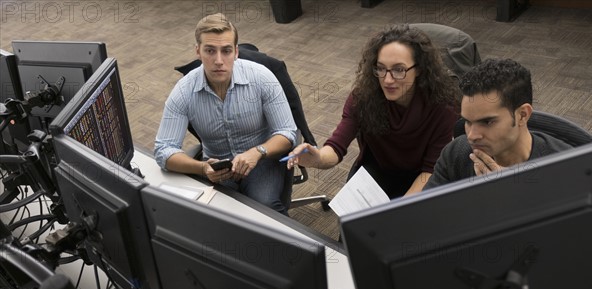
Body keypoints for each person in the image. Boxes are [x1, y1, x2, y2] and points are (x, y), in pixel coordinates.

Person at [286, 24, 459, 198]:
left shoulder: (442, 106)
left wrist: (399, 208)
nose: (388, 79)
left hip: (420, 175)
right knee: (355, 221)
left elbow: (430, 170)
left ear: (419, 69)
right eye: (381, 68)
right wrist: (317, 158)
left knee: (403, 222)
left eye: (399, 70)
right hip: (378, 168)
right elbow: (337, 145)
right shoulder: (363, 97)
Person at [154, 13, 297, 214]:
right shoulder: (184, 91)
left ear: (236, 52)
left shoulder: (262, 78)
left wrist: (257, 153)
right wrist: (202, 168)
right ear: (198, 51)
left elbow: (288, 133)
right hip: (217, 167)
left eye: (226, 51)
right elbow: (163, 150)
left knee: (265, 211)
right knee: (216, 216)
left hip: (261, 160)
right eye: (210, 51)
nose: (219, 60)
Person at [424, 58, 572, 189]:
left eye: (487, 122)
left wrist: (511, 193)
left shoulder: (568, 167)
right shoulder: (456, 153)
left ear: (522, 115)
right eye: (468, 121)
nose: (472, 135)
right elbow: (424, 215)